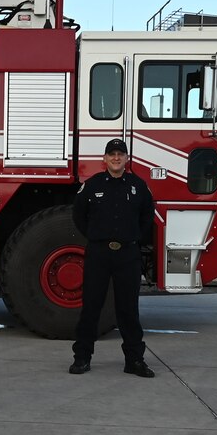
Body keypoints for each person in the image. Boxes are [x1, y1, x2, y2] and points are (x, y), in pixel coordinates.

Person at [68, 138, 156, 378]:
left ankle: (134, 360)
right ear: (104, 159)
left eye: (121, 154)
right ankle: (82, 358)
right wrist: (96, 237)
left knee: (128, 310)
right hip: (99, 253)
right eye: (112, 154)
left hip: (128, 254)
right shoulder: (92, 185)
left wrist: (134, 236)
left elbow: (148, 216)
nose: (116, 158)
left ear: (127, 159)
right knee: (91, 308)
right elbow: (79, 215)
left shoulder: (138, 186)